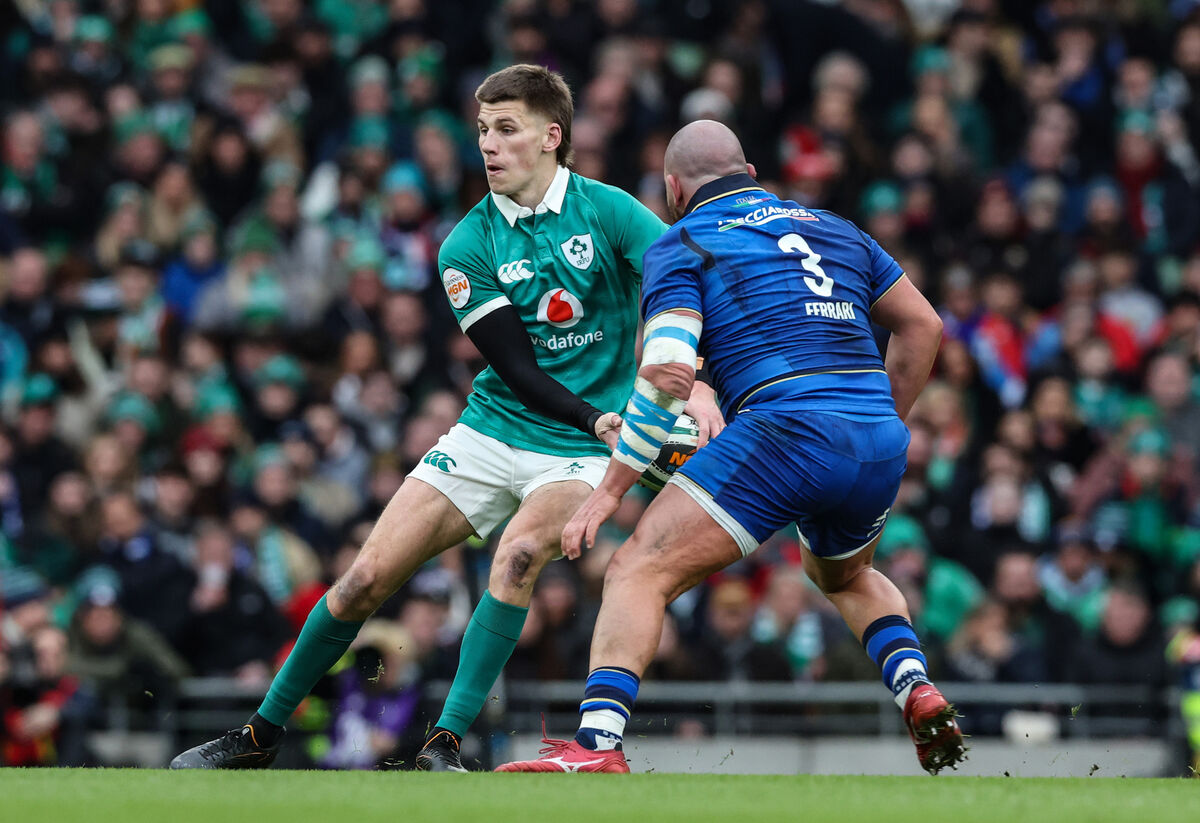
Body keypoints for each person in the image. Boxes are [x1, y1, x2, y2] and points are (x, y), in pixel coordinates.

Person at [169, 64, 721, 771]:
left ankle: (443, 743)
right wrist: (597, 418)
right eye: (483, 130)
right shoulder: (466, 244)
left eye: (507, 129)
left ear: (553, 137)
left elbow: (684, 285)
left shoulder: (610, 211)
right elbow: (518, 368)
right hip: (500, 428)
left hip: (580, 452)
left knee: (518, 556)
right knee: (363, 579)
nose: (489, 145)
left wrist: (698, 385)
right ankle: (258, 735)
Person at [496, 120, 963, 776]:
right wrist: (879, 420)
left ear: (673, 188)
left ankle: (597, 745)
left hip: (785, 427)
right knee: (846, 573)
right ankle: (916, 685)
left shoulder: (683, 241)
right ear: (748, 169)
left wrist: (608, 492)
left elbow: (665, 372)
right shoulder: (835, 228)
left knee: (636, 568)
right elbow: (923, 325)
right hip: (876, 436)